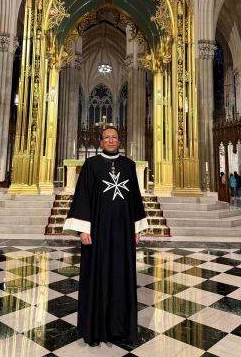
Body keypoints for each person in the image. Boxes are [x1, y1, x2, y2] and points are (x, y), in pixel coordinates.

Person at [63, 127, 148, 347]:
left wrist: (137, 227)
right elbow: (82, 197)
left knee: (121, 276)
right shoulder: (91, 166)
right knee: (97, 276)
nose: (111, 140)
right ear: (100, 142)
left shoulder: (129, 166)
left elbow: (135, 199)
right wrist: (83, 229)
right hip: (97, 233)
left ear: (120, 141)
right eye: (107, 138)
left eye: (114, 137)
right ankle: (95, 328)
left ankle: (120, 328)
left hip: (123, 232)